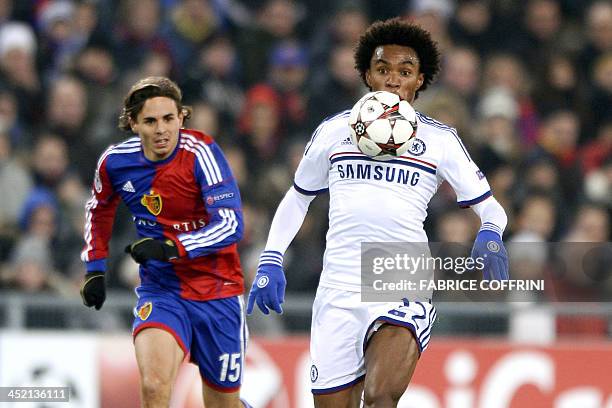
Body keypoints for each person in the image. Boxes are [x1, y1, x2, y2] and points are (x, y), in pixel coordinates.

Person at [247, 18, 509, 407]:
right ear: (368, 74)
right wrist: (271, 258)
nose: (393, 80)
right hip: (337, 281)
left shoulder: (439, 140)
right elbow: (298, 196)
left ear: (420, 80)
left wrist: (490, 233)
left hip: (399, 272)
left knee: (381, 396)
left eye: (405, 72)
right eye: (383, 69)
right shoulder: (334, 131)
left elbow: (492, 209)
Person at [80, 76, 251, 408]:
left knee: (222, 405)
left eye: (169, 119)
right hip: (162, 290)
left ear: (181, 118)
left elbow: (231, 224)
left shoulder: (202, 154)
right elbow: (99, 209)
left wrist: (173, 247)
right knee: (155, 386)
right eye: (150, 121)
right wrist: (95, 269)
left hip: (217, 291)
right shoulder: (115, 162)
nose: (162, 129)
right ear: (133, 123)